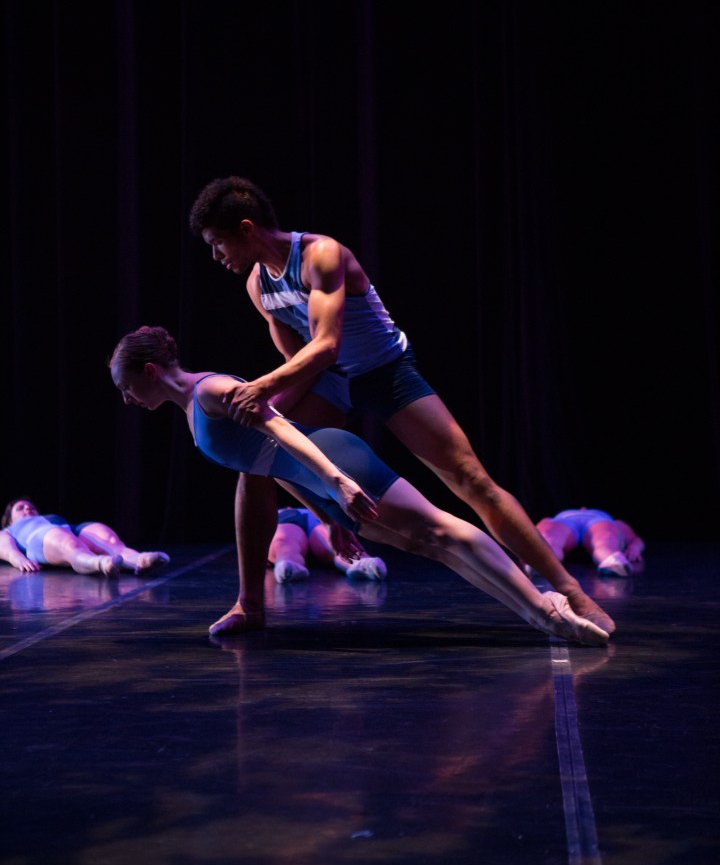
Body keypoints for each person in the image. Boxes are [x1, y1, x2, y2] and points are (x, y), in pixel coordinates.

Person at [188, 176, 615, 636]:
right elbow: (300, 361)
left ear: (247, 228)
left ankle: (569, 591)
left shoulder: (321, 255)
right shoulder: (258, 284)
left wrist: (260, 388)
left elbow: (327, 345)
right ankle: (251, 605)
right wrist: (329, 506)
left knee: (470, 479)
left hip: (384, 372)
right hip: (328, 382)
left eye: (217, 243)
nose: (216, 256)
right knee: (255, 457)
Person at [108, 324, 609, 648]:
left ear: (150, 371)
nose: (128, 400)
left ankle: (545, 610)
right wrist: (327, 513)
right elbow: (271, 466)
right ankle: (543, 611)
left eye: (127, 387)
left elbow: (283, 430)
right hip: (321, 480)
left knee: (440, 530)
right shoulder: (193, 413)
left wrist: (338, 482)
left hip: (336, 461)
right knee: (431, 545)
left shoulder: (211, 391)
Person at [0, 497, 170, 576]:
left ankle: (139, 560)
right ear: (9, 519)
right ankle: (100, 563)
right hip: (38, 539)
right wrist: (19, 560)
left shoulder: (48, 518)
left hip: (69, 529)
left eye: (30, 506)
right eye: (20, 508)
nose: (28, 509)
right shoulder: (9, 530)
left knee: (105, 535)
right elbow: (5, 548)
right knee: (67, 543)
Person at [269, 505, 387, 584]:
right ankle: (288, 565)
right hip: (289, 517)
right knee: (284, 542)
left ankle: (362, 563)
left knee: (334, 539)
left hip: (305, 516)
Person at [530, 508, 645, 577]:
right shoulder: (555, 518)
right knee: (549, 537)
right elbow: (535, 534)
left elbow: (635, 539)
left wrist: (635, 547)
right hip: (565, 521)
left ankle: (611, 560)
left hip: (596, 521)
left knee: (605, 539)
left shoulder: (608, 519)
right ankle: (541, 561)